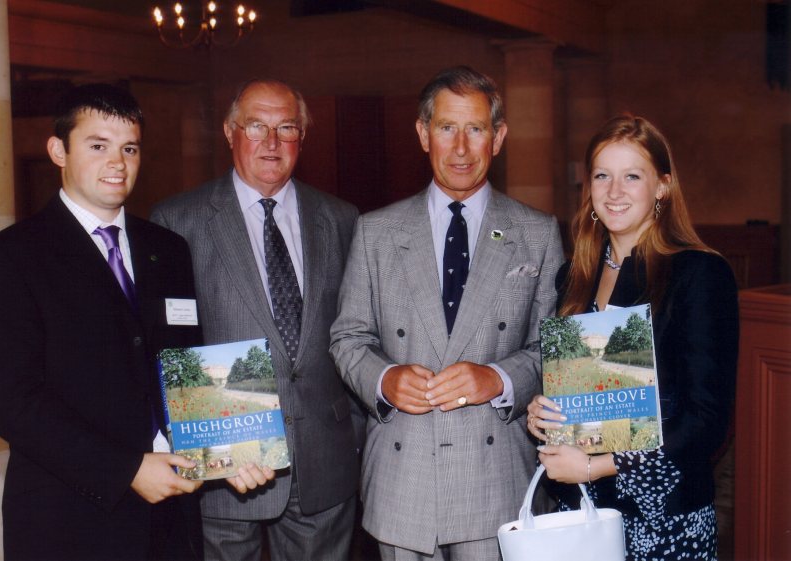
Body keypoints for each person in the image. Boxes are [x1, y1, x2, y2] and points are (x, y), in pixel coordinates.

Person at [330, 66, 565, 561]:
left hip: (496, 479)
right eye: (446, 128)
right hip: (402, 478)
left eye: (475, 129)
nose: (460, 148)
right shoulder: (376, 231)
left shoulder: (538, 233)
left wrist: (499, 379)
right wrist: (384, 378)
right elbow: (348, 337)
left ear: (497, 138)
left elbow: (554, 347)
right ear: (422, 134)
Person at [0, 83, 205, 561]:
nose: (117, 163)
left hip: (170, 519)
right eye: (98, 146)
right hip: (69, 520)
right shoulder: (11, 257)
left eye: (129, 148)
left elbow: (187, 369)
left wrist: (232, 452)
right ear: (59, 150)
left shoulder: (170, 250)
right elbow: (10, 402)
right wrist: (127, 470)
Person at [151, 79, 361, 561]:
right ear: (229, 132)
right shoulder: (177, 221)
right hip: (225, 465)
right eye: (256, 126)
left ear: (302, 137)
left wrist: (356, 438)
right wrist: (213, 445)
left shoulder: (343, 219)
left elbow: (357, 330)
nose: (271, 142)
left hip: (323, 463)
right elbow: (167, 346)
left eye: (286, 127)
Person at [526, 115, 739, 560]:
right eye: (603, 175)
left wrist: (595, 466)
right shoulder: (574, 278)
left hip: (664, 520)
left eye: (632, 176)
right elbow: (582, 394)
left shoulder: (698, 273)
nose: (614, 191)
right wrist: (545, 414)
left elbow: (706, 420)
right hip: (581, 516)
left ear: (662, 186)